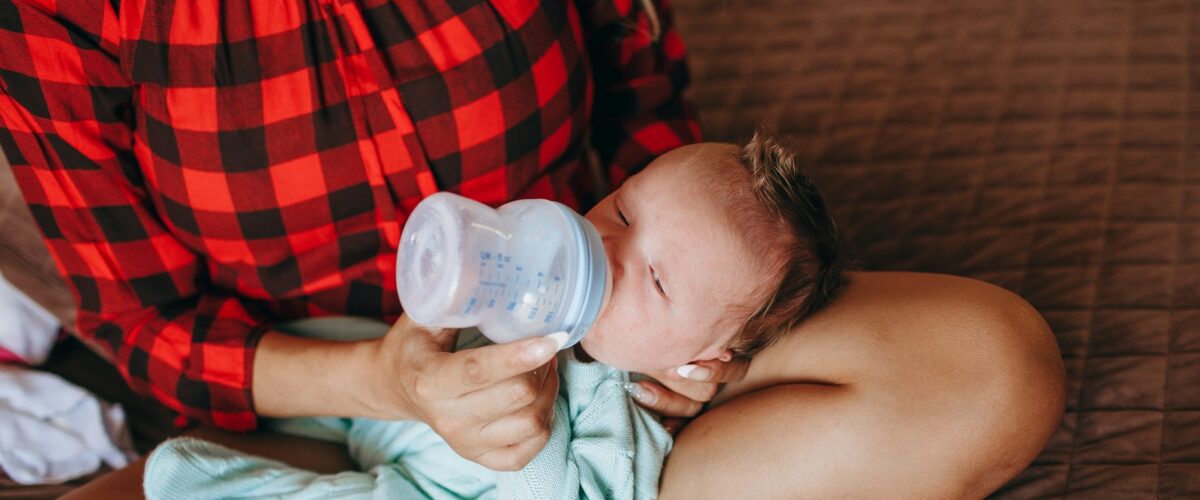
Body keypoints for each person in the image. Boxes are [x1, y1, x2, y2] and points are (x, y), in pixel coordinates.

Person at [0, 1, 1067, 498]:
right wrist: (389, 379)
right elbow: (143, 326)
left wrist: (688, 329)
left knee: (991, 364)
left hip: (625, 400)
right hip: (325, 385)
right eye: (611, 214)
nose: (603, 234)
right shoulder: (68, 15)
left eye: (631, 243)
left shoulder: (665, 341)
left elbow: (648, 111)